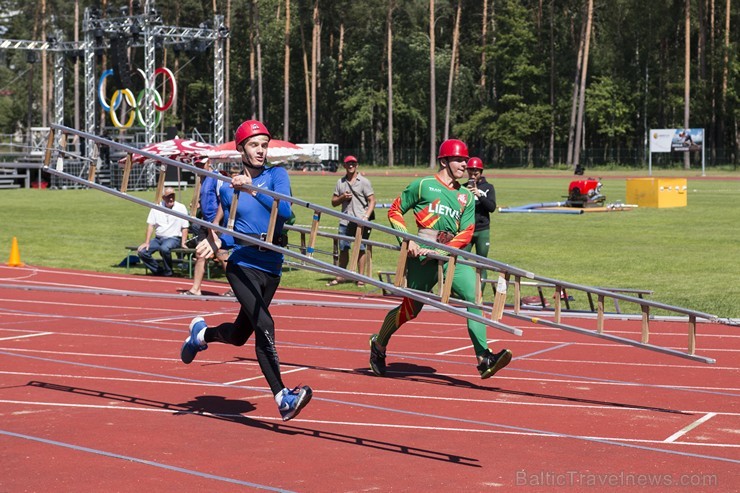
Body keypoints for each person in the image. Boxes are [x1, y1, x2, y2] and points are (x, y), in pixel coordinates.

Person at [180, 119, 312, 421]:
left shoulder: (277, 175)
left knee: (240, 335)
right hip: (242, 264)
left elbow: (286, 212)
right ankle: (283, 397)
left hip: (272, 265)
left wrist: (251, 189)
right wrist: (212, 242)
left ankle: (201, 335)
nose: (261, 151)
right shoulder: (228, 188)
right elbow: (233, 231)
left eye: (264, 145)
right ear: (241, 148)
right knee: (266, 325)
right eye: (254, 145)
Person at [368, 139, 512, 380]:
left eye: (466, 160)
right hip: (421, 252)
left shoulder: (465, 195)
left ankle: (484, 358)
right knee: (411, 310)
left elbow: (466, 232)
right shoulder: (423, 185)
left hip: (451, 254)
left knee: (473, 298)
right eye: (459, 160)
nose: (465, 165)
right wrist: (407, 241)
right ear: (444, 161)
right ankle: (379, 344)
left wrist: (446, 252)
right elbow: (395, 210)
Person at [327, 155, 376, 286]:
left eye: (353, 163)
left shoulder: (364, 182)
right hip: (344, 220)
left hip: (360, 221)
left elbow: (372, 200)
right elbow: (333, 202)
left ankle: (360, 278)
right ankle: (342, 275)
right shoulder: (340, 182)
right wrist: (342, 197)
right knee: (343, 248)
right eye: (348, 163)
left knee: (361, 248)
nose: (351, 166)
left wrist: (366, 216)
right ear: (344, 165)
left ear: (357, 165)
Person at [182, 159, 227, 296]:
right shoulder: (201, 180)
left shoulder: (216, 177)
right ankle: (196, 289)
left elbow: (224, 201)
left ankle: (237, 288)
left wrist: (216, 222)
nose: (199, 167)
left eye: (202, 164)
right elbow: (208, 199)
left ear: (209, 163)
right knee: (200, 253)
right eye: (197, 165)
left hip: (217, 222)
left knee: (222, 254)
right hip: (205, 222)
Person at [137, 187, 189, 277]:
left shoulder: (181, 207)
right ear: (163, 198)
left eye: (173, 196)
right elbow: (150, 225)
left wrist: (183, 242)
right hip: (158, 238)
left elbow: (185, 227)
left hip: (174, 238)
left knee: (164, 248)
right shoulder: (156, 207)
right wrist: (147, 242)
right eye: (168, 197)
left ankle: (168, 271)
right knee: (142, 252)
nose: (171, 199)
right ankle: (159, 271)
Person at [463, 157, 496, 288]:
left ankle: (479, 294)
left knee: (481, 264)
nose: (473, 175)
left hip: (482, 230)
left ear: (481, 172)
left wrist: (479, 194)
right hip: (467, 229)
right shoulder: (463, 188)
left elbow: (492, 207)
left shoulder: (488, 187)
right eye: (470, 172)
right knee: (461, 262)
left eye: (476, 172)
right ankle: (463, 291)